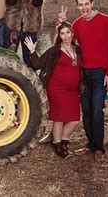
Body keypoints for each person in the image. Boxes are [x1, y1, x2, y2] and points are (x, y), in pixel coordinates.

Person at [58, 0, 108, 162]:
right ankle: (91, 144)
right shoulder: (77, 24)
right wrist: (62, 23)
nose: (84, 8)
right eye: (80, 5)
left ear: (92, 3)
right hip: (84, 73)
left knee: (97, 110)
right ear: (77, 7)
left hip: (100, 73)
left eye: (86, 4)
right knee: (86, 110)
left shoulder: (106, 20)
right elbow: (66, 41)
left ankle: (99, 148)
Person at [24, 21, 81, 159]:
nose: (66, 36)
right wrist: (32, 51)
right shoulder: (55, 50)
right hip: (56, 89)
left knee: (74, 119)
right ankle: (58, 145)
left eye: (68, 32)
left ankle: (64, 140)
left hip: (73, 91)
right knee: (59, 118)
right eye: (62, 33)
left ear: (72, 34)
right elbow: (38, 64)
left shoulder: (78, 50)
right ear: (59, 36)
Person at [4, 0, 46, 68]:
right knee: (9, 57)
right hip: (12, 27)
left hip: (30, 29)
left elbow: (37, 2)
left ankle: (30, 82)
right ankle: (9, 81)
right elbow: (10, 1)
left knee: (29, 59)